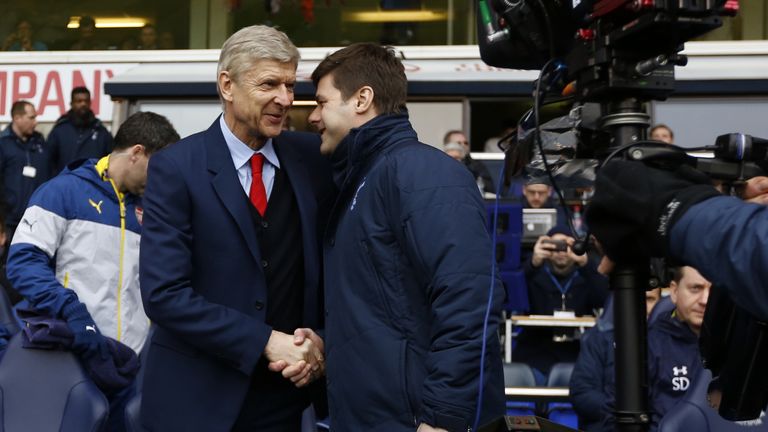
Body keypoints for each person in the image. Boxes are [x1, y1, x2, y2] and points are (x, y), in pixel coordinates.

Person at [138, 25, 333, 432]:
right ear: (227, 84)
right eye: (269, 84)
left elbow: (332, 271)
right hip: (195, 402)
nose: (285, 98)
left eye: (289, 83)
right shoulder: (177, 168)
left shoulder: (311, 160)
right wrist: (264, 340)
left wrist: (319, 339)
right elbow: (164, 294)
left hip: (285, 402)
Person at [308, 42, 505, 432]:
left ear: (362, 99)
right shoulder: (361, 181)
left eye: (321, 102)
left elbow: (469, 299)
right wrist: (326, 341)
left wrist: (441, 417)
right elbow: (387, 311)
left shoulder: (422, 174)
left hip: (418, 420)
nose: (312, 117)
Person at [6, 111, 180, 431]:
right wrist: (72, 311)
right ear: (137, 153)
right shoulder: (62, 191)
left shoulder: (155, 208)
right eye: (158, 168)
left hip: (133, 366)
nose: (161, 179)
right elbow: (23, 263)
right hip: (74, 359)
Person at [515, 225, 609, 383]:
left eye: (566, 246)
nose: (560, 251)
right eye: (555, 245)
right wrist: (533, 263)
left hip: (575, 352)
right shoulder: (534, 275)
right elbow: (512, 295)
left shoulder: (586, 277)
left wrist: (586, 263)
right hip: (536, 352)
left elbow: (605, 298)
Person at [570, 288, 662, 431]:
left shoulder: (669, 340)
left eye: (649, 299)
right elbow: (582, 394)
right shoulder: (598, 338)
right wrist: (624, 408)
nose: (641, 306)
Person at [646, 266, 711, 428]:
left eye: (714, 291)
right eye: (696, 288)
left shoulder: (739, 345)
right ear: (674, 292)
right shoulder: (650, 343)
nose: (705, 300)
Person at [0, 100, 51, 243]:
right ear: (17, 118)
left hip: (37, 220)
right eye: (32, 117)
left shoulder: (40, 142)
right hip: (9, 221)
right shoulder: (3, 144)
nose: (35, 122)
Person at [48, 86, 114, 174]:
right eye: (79, 101)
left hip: (93, 183)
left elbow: (111, 159)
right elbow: (49, 161)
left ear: (90, 103)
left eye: (86, 101)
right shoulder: (59, 130)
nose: (83, 104)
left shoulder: (101, 131)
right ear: (71, 103)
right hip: (65, 184)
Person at [444, 129, 496, 194]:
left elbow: (490, 188)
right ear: (448, 146)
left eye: (465, 143)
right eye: (459, 143)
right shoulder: (438, 166)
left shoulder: (476, 166)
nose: (463, 145)